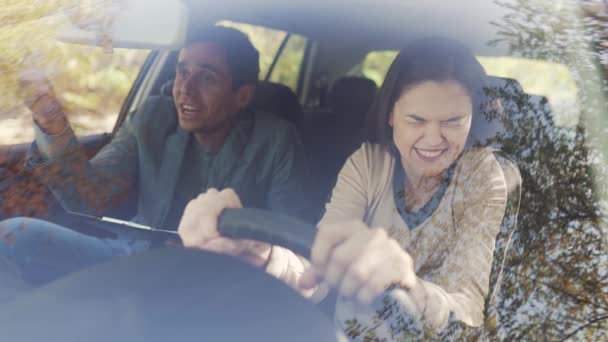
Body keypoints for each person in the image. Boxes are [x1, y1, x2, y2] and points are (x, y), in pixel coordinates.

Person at [176, 37, 510, 340]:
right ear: (391, 115)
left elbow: (468, 313)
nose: (434, 139)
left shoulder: (483, 177)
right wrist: (263, 254)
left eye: (453, 122)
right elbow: (315, 270)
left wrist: (410, 289)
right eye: (417, 121)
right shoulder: (368, 164)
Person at [0, 25, 311, 296]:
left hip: (216, 282)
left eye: (207, 77)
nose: (185, 90)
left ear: (241, 96)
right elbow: (89, 194)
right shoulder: (153, 116)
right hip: (132, 257)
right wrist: (48, 113)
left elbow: (291, 242)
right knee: (11, 236)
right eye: (182, 71)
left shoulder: (276, 141)